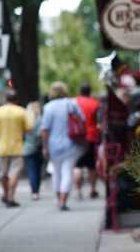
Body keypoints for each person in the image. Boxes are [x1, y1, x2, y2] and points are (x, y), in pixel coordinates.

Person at [41, 81, 85, 211]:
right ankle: (63, 201)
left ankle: (58, 197)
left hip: (53, 145)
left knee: (56, 172)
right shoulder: (72, 103)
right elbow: (82, 120)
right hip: (71, 143)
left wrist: (45, 147)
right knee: (67, 171)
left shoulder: (48, 107)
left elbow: (45, 129)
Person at [0, 90, 32, 208]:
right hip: (17, 147)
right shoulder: (21, 111)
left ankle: (5, 194)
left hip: (2, 147)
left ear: (6, 99)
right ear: (16, 100)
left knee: (3, 173)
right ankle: (10, 196)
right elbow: (29, 128)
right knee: (14, 173)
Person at [74, 82, 100, 199]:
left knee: (77, 165)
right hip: (91, 136)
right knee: (91, 165)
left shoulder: (73, 102)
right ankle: (93, 189)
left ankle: (78, 190)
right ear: (90, 91)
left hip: (77, 137)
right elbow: (98, 121)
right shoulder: (95, 103)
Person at [24, 102, 43, 200]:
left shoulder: (26, 120)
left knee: (31, 170)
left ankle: (34, 191)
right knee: (38, 170)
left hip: (27, 148)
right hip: (38, 147)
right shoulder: (40, 119)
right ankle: (36, 190)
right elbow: (41, 134)